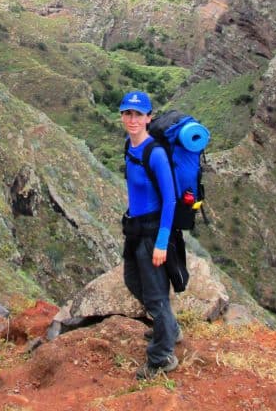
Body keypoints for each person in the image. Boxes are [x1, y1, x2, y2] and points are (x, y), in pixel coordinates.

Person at [119, 89, 182, 379]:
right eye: (127, 113)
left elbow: (170, 199)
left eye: (138, 114)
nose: (132, 119)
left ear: (148, 117)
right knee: (133, 281)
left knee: (156, 297)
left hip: (153, 231)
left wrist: (161, 243)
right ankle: (167, 328)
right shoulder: (128, 146)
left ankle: (161, 357)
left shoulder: (154, 153)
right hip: (134, 229)